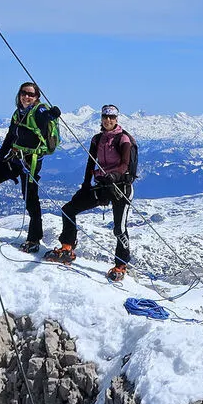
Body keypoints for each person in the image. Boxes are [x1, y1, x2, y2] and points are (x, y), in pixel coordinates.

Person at [45, 104, 138, 281]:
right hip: (103, 185)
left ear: (116, 119)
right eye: (105, 117)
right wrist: (86, 185)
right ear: (101, 119)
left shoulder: (123, 139)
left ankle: (121, 264)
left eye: (112, 117)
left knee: (119, 229)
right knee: (69, 209)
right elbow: (90, 163)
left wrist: (115, 175)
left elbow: (125, 164)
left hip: (121, 187)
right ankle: (67, 247)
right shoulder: (97, 139)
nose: (108, 120)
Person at [0, 82, 60, 252]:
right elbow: (10, 137)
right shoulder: (18, 114)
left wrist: (52, 114)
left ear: (36, 98)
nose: (27, 97)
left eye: (31, 94)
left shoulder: (39, 111)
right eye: (24, 93)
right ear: (19, 95)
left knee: (30, 199)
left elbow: (46, 116)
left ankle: (34, 239)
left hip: (31, 161)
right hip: (15, 158)